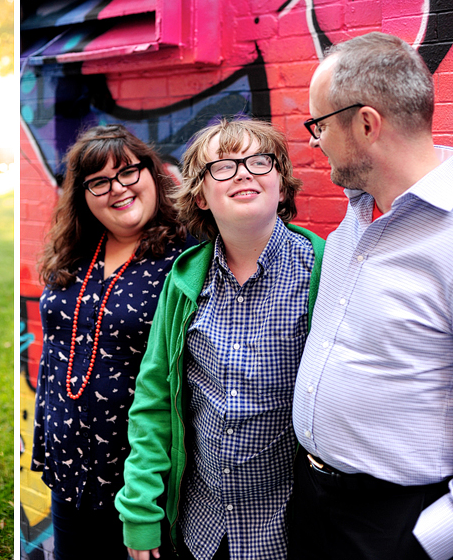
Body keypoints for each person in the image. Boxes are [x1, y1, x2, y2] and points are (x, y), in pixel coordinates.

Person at [115, 117, 325, 560]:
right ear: (201, 197)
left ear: (282, 187)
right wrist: (140, 512)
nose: (244, 171)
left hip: (289, 528)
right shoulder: (185, 282)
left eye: (258, 161)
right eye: (223, 166)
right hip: (202, 530)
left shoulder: (322, 272)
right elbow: (153, 399)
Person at [291, 31, 453, 560]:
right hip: (314, 502)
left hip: (393, 527)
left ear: (365, 124)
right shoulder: (358, 212)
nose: (314, 142)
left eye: (319, 125)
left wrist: (428, 541)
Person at [30, 123, 194, 560]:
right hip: (68, 472)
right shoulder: (76, 253)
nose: (117, 188)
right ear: (83, 195)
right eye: (99, 182)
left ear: (151, 173)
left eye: (127, 172)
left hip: (138, 480)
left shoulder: (185, 258)